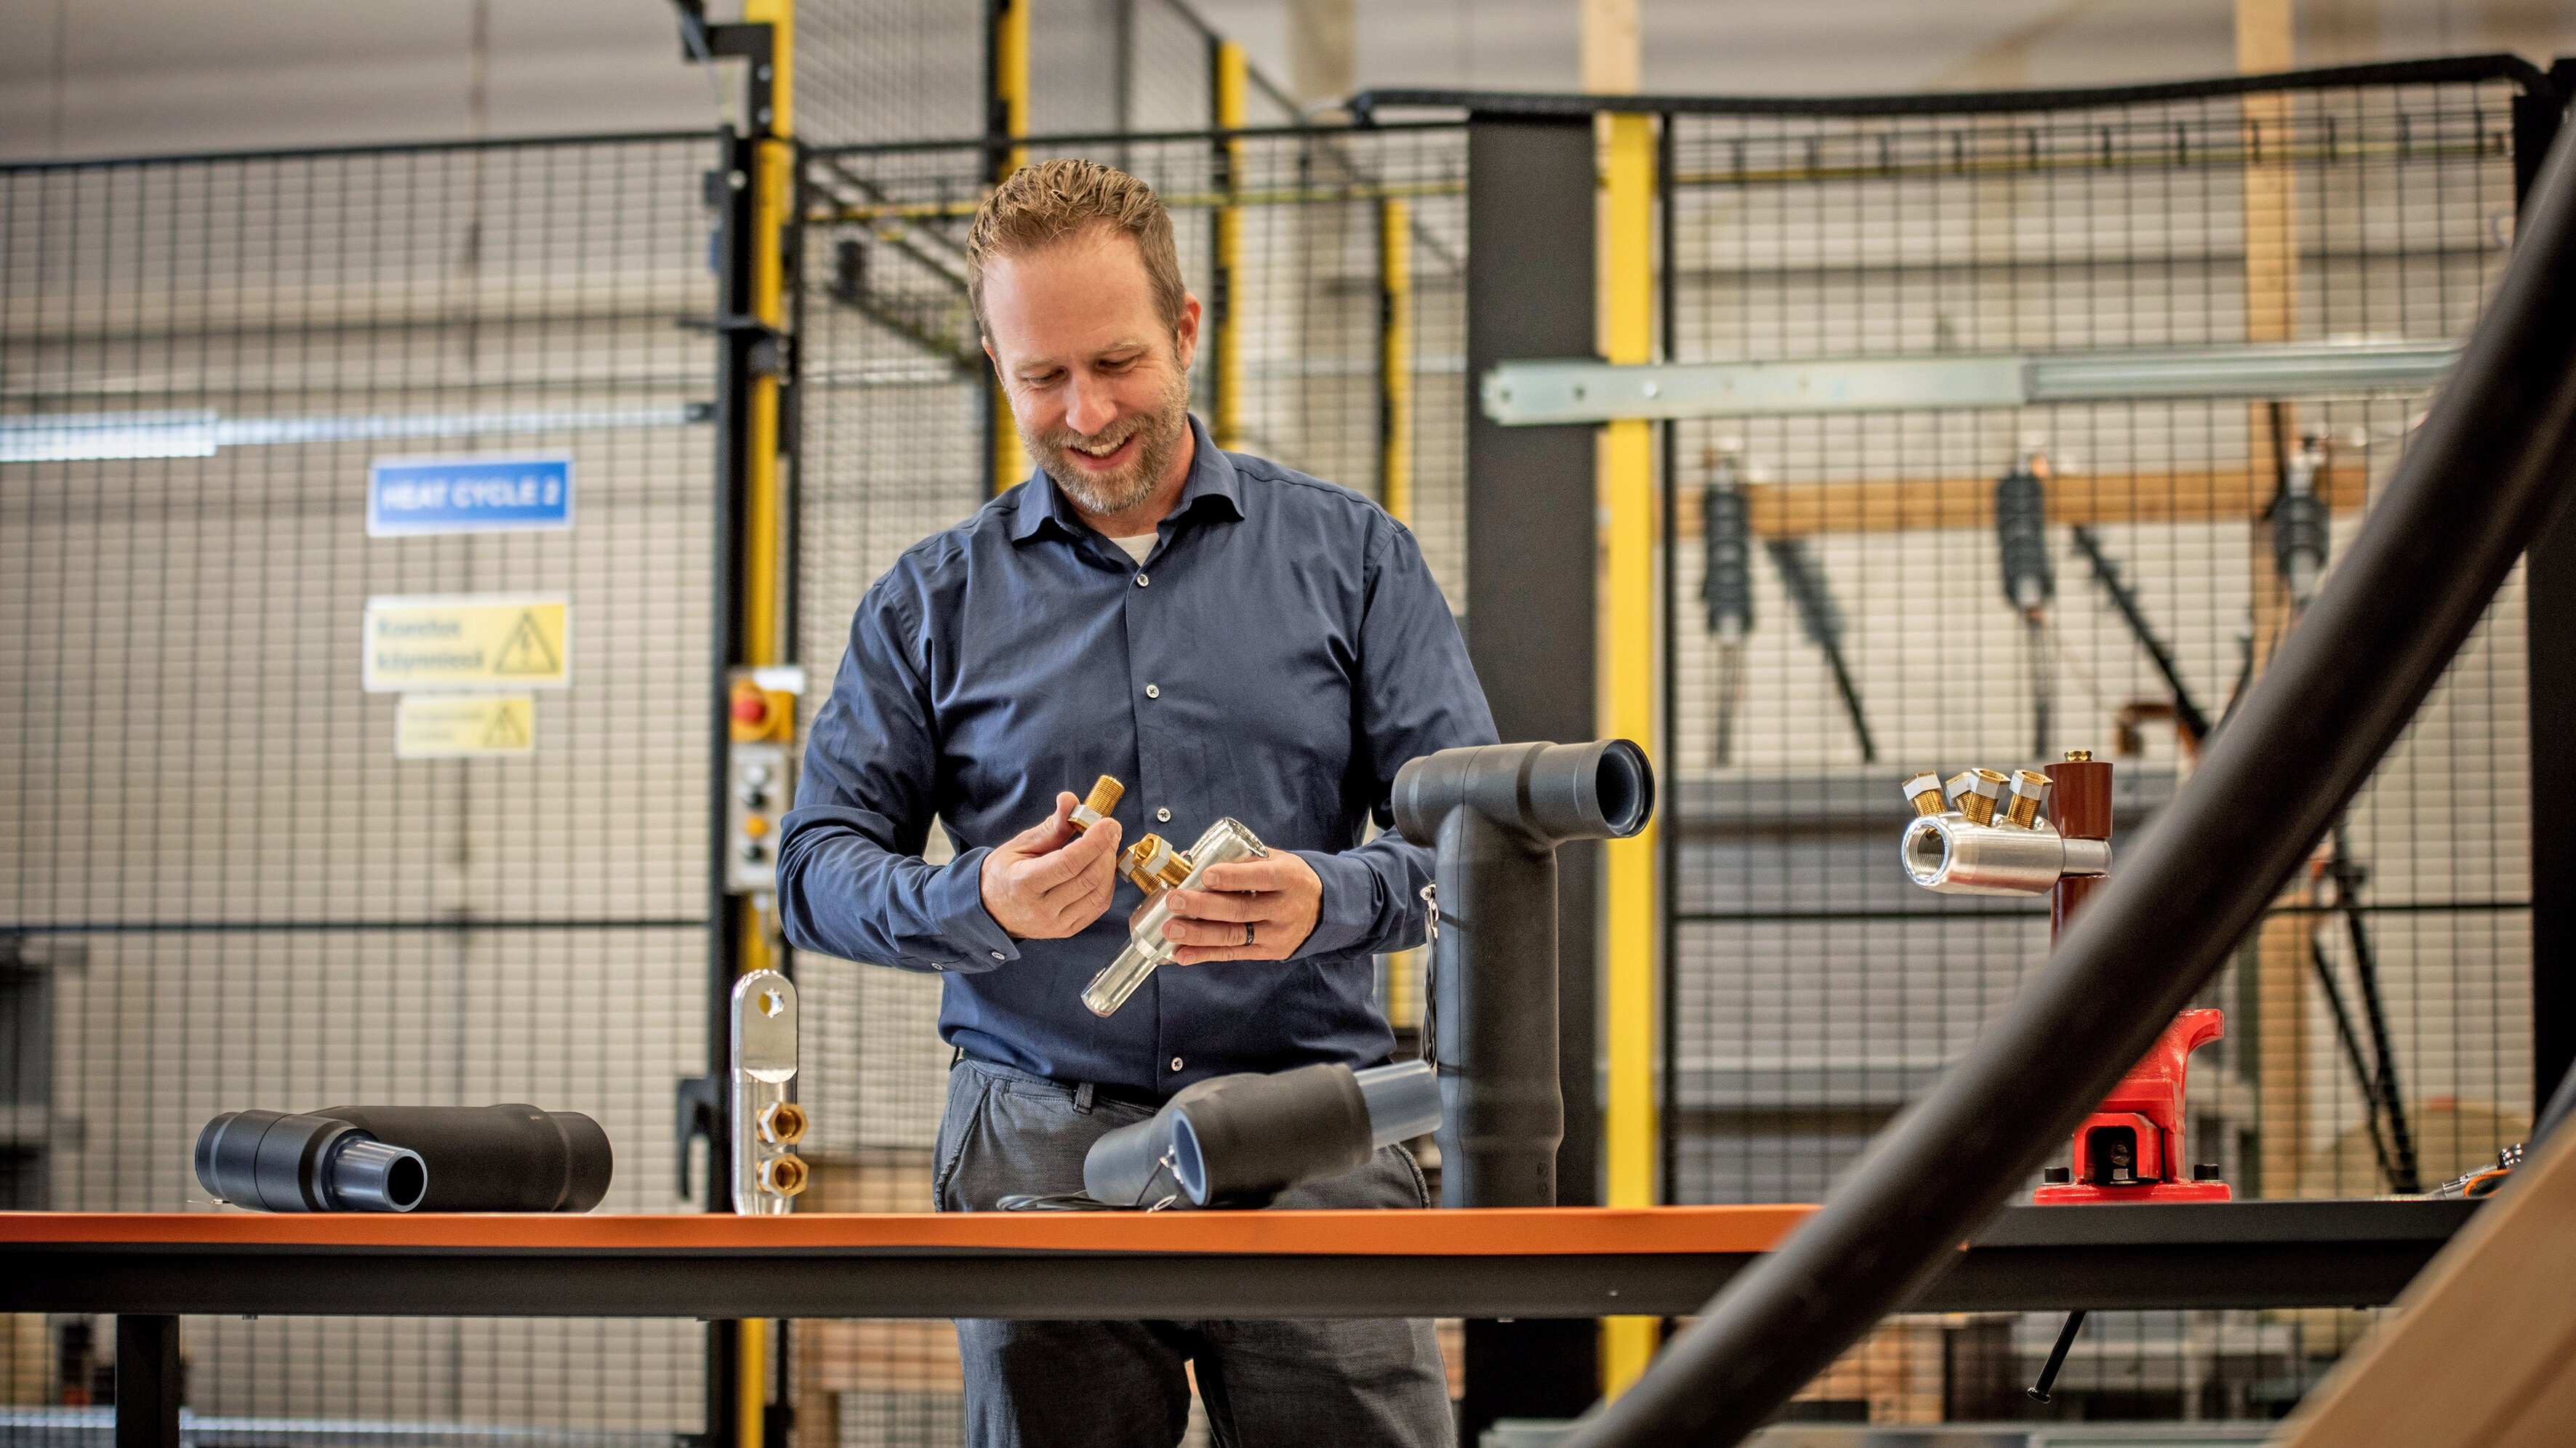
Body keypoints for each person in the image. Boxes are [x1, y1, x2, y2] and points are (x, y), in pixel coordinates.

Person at [774, 158, 1493, 1447]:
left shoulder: (1353, 560)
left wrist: (1327, 898)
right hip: (1036, 1147)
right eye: (1041, 377)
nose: (1087, 413)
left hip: (1308, 1130)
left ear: (1186, 328)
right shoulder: (928, 603)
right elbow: (813, 871)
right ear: (995, 365)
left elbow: (1478, 848)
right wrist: (978, 898)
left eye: (1116, 364)